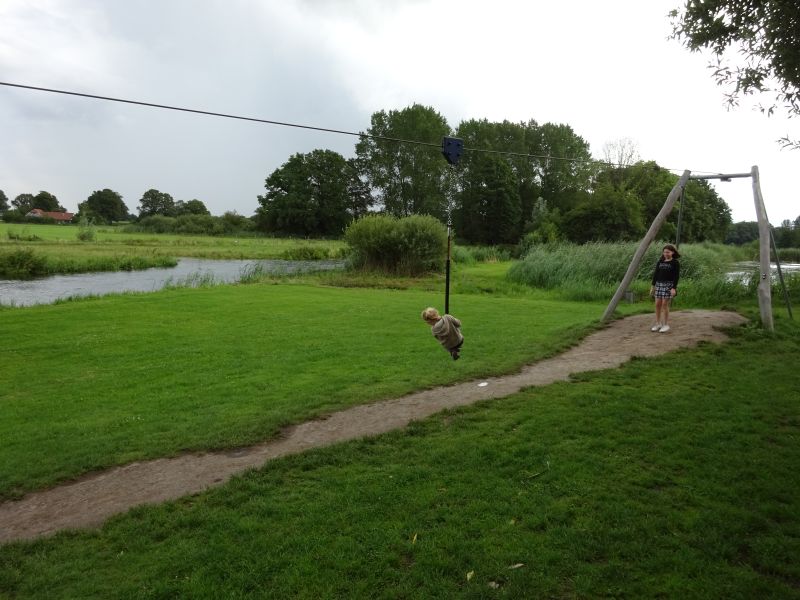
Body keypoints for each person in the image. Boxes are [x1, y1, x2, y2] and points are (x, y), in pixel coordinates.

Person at [649, 244, 681, 333]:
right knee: (657, 304)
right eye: (664, 252)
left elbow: (676, 276)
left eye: (668, 252)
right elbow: (656, 274)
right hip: (659, 285)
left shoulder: (675, 262)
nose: (666, 254)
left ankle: (666, 325)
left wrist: (674, 288)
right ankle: (658, 323)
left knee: (664, 304)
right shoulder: (660, 261)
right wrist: (653, 286)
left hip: (668, 285)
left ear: (672, 252)